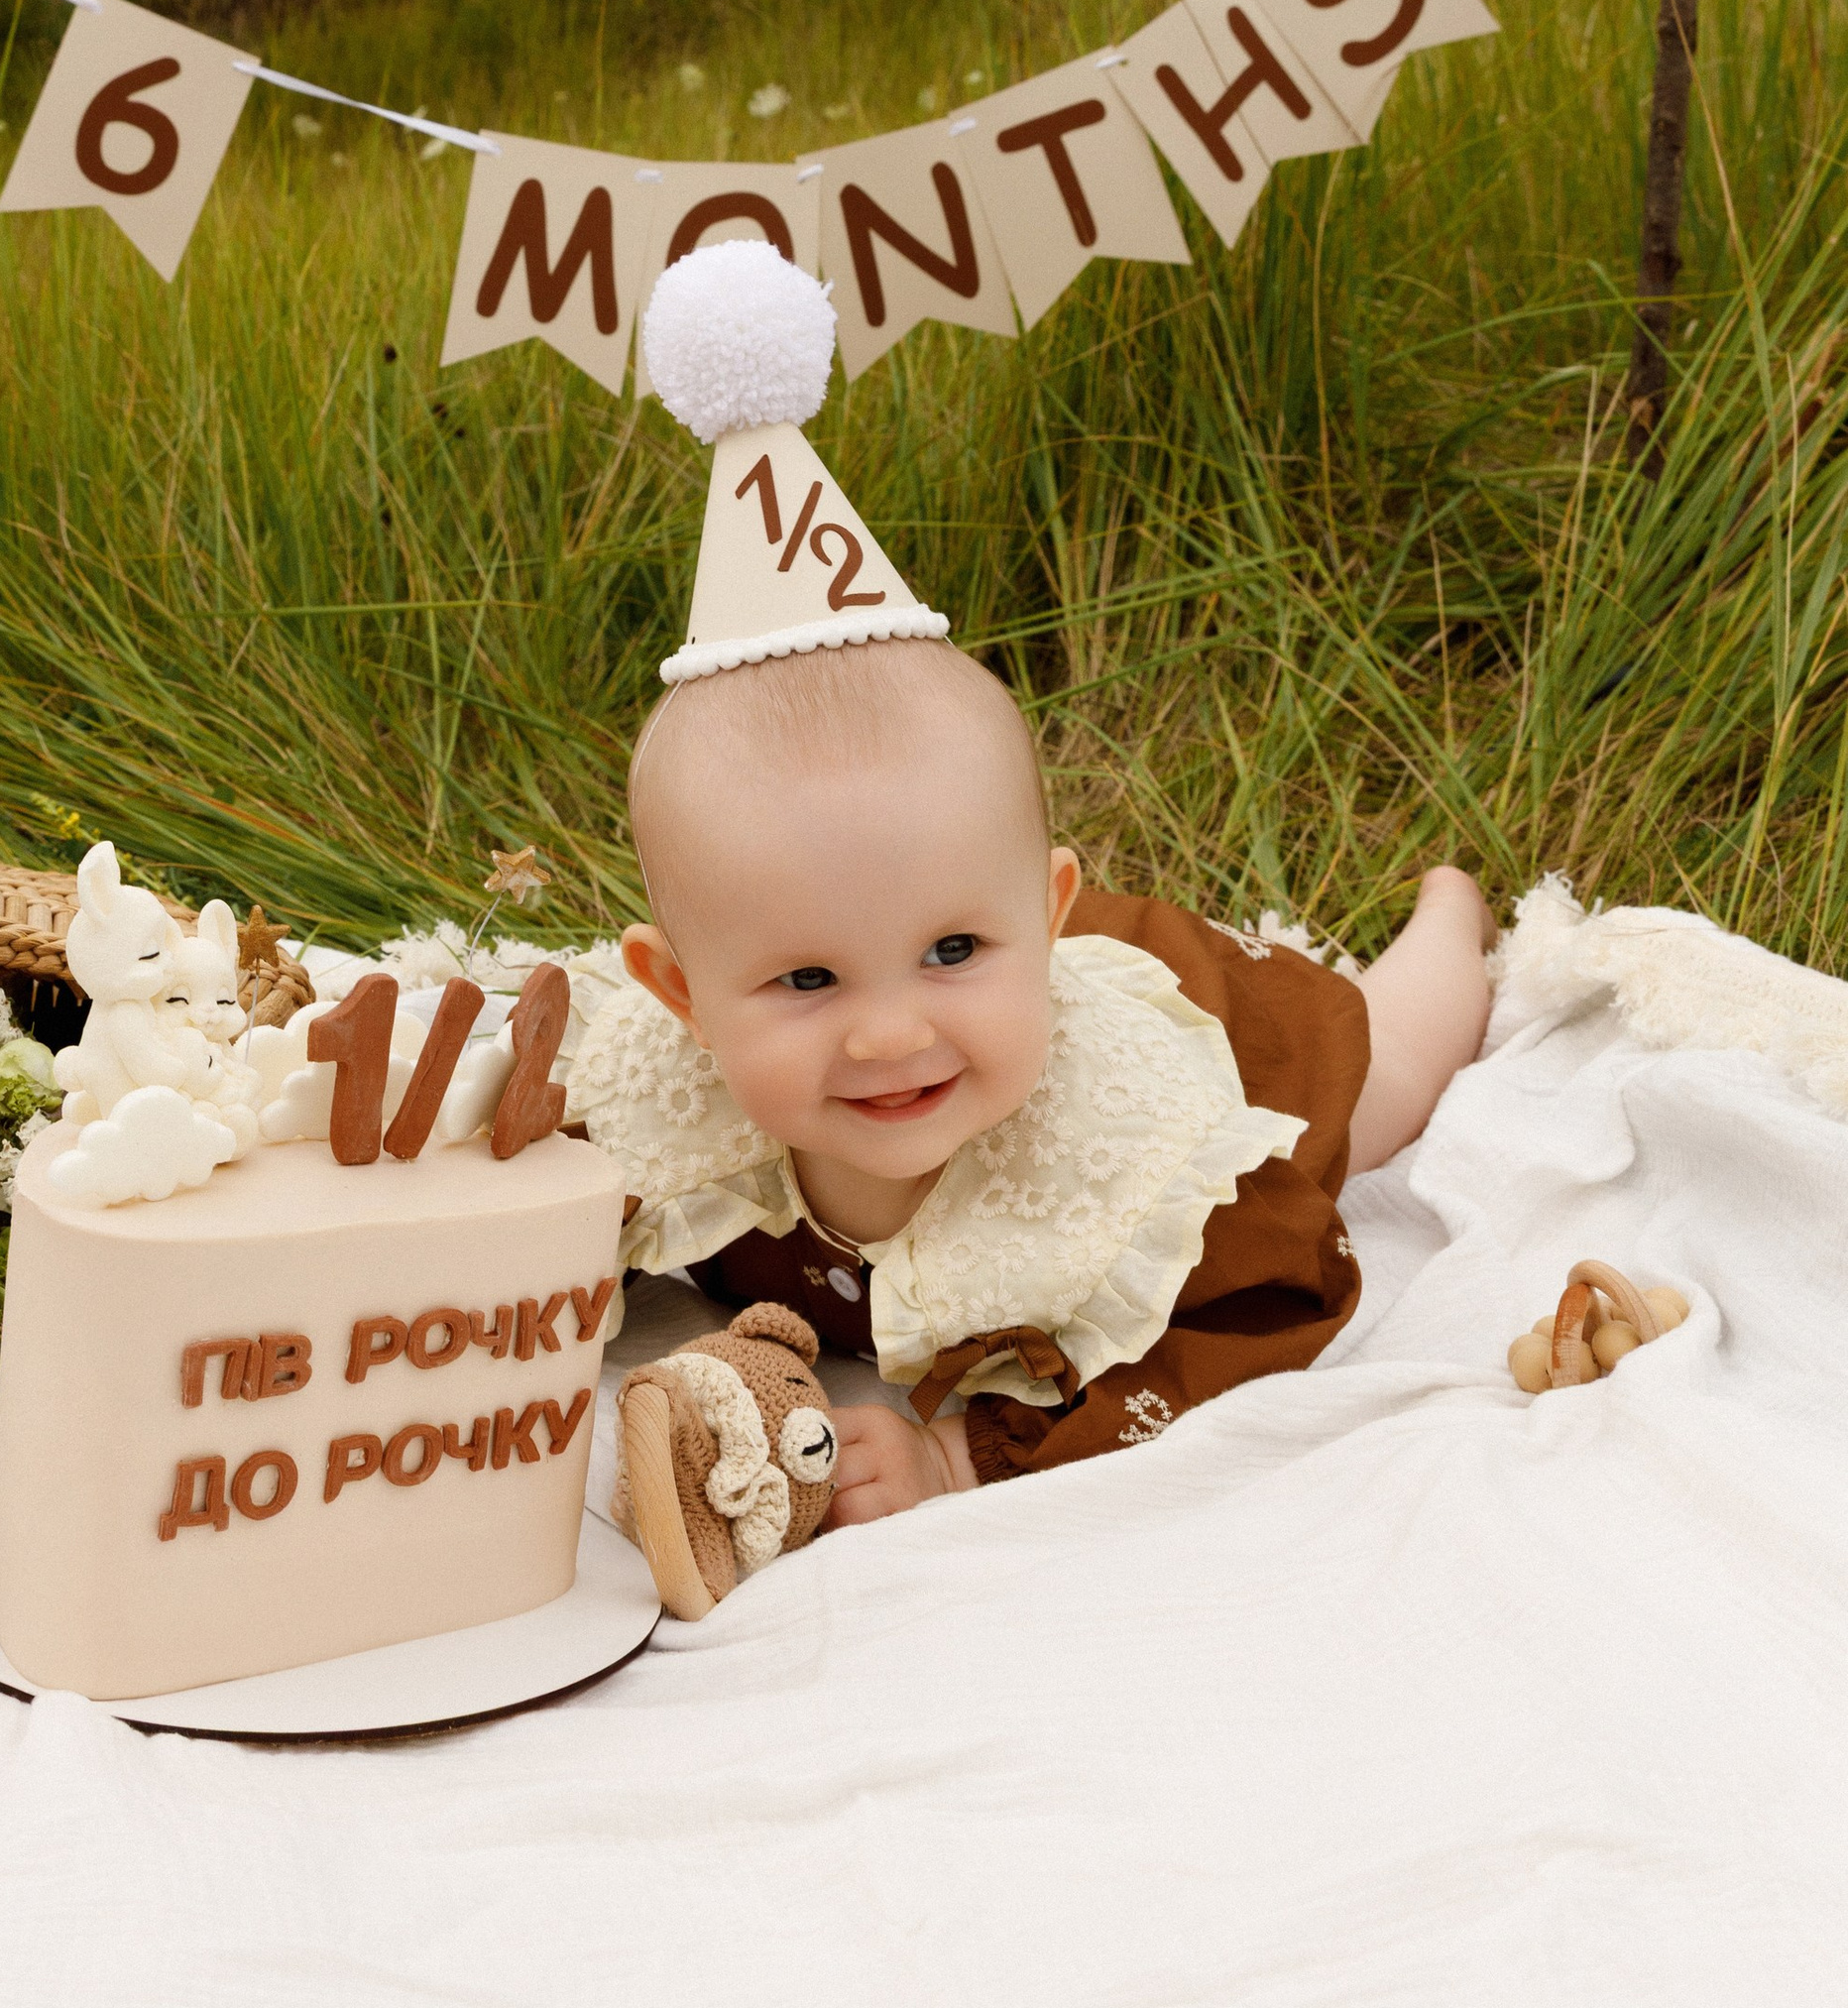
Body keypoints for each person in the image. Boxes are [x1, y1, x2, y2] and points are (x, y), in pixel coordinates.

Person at [575, 634, 1490, 1524]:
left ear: (1048, 917)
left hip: (1214, 1029)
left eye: (952, 950)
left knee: (1385, 1079)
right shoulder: (650, 1111)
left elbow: (1269, 1303)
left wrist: (960, 1456)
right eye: (809, 979)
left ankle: (1452, 922)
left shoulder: (1134, 1159)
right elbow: (530, 1205)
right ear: (681, 995)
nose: (891, 1037)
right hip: (998, 987)